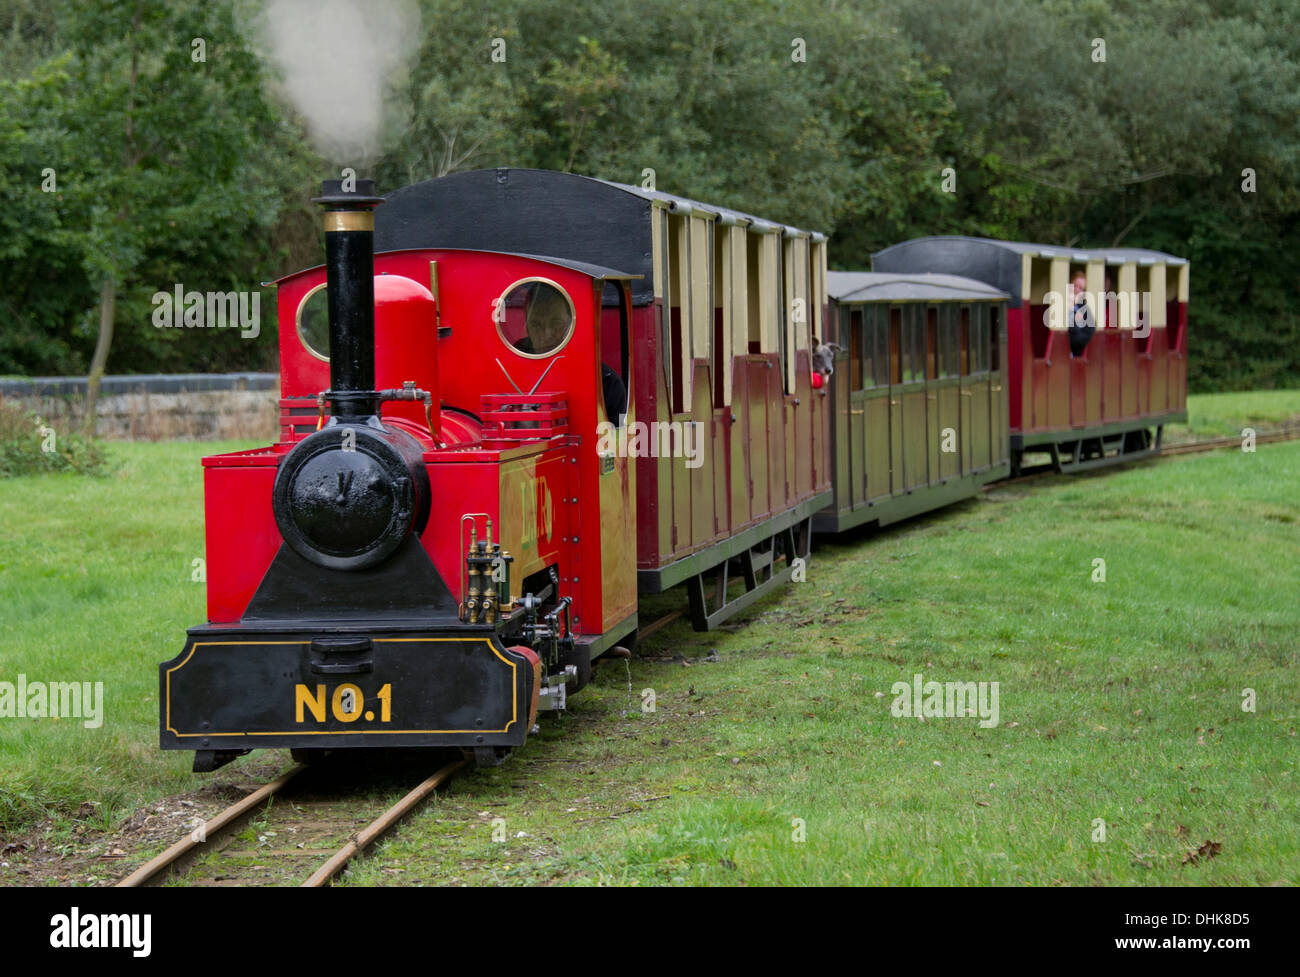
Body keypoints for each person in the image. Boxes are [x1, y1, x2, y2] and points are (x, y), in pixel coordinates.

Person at [1067, 271, 1095, 357]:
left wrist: (1075, 328)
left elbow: (1090, 331)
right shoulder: (1062, 304)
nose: (1077, 290)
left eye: (1081, 288)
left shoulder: (1084, 308)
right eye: (1075, 286)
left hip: (1076, 353)